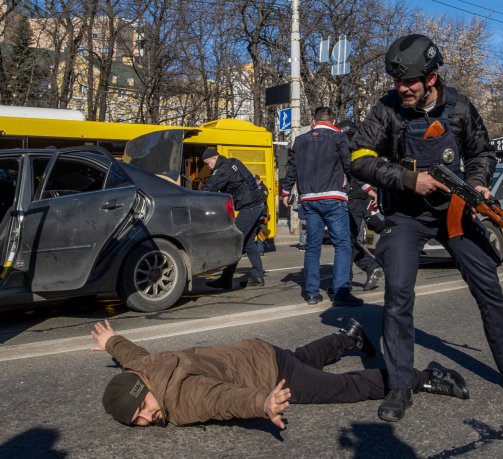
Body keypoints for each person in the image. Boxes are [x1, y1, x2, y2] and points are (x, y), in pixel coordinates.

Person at [349, 34, 503, 422]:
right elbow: (358, 158)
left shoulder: (460, 107)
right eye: (397, 82)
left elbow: (482, 151)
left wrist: (477, 182)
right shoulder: (386, 110)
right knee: (398, 297)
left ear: (432, 77)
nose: (402, 89)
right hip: (406, 216)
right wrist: (410, 181)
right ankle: (398, 385)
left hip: (455, 211)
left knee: (488, 286)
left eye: (409, 81)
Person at [92, 318, 469, 428]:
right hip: (254, 352)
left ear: (144, 389)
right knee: (303, 358)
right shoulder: (147, 369)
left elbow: (220, 399)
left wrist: (263, 402)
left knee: (339, 388)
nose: (147, 417)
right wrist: (112, 341)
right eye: (137, 420)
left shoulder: (179, 399)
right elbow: (132, 355)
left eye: (142, 408)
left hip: (267, 374)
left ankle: (422, 377)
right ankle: (347, 337)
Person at [282, 107, 362, 307]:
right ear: (333, 120)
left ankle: (311, 293)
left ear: (313, 121)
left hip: (309, 199)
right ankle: (341, 291)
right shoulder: (338, 137)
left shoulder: (300, 140)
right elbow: (348, 164)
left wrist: (285, 192)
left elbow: (291, 168)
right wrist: (363, 187)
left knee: (312, 247)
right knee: (342, 245)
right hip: (333, 197)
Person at [201, 148, 265, 288]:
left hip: (250, 207)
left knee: (235, 241)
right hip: (256, 205)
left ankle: (226, 278)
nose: (208, 166)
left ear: (214, 158)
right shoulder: (233, 162)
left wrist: (194, 196)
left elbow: (210, 187)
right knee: (248, 242)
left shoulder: (223, 169)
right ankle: (257, 276)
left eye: (207, 163)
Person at [337, 120, 384, 291]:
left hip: (355, 196)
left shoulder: (349, 149)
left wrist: (369, 190)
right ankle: (371, 267)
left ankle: (344, 284)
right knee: (346, 240)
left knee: (346, 240)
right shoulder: (356, 148)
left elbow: (355, 174)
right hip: (356, 196)